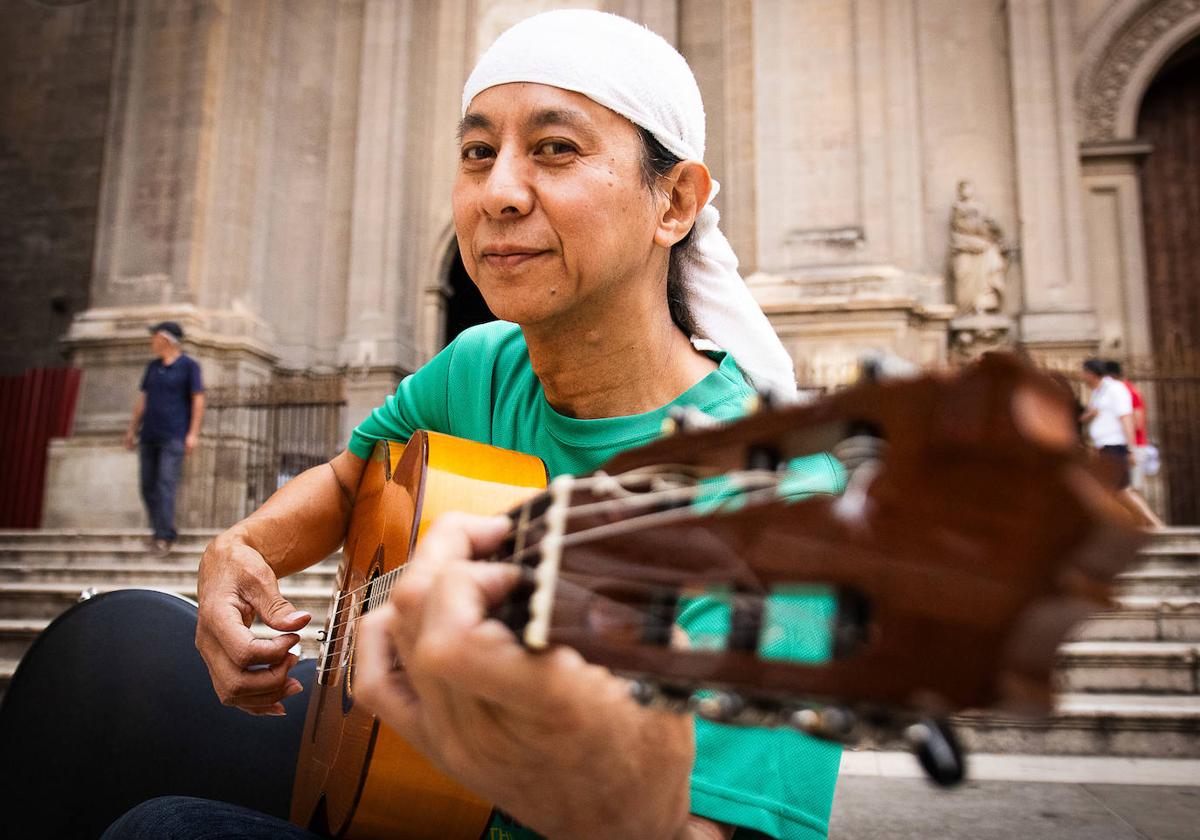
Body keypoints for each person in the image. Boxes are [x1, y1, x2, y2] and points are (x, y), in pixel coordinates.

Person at [105, 10, 843, 840]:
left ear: (673, 201)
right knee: (105, 705)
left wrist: (614, 797)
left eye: (555, 148)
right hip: (396, 804)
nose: (498, 191)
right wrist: (237, 552)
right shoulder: (481, 367)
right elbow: (353, 476)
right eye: (477, 152)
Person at [123, 321, 205, 556]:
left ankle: (164, 536)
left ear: (166, 339)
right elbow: (144, 400)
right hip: (149, 434)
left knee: (165, 483)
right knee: (147, 485)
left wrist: (193, 433)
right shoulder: (153, 367)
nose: (152, 341)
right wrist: (131, 429)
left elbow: (198, 399)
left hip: (174, 435)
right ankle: (157, 529)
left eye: (155, 337)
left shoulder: (189, 366)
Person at [1079, 358, 1161, 527]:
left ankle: (1156, 525)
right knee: (1114, 491)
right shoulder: (1098, 392)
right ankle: (1140, 525)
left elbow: (1127, 418)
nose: (1081, 376)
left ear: (1091, 373)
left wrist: (1130, 449)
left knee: (1121, 490)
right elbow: (1093, 413)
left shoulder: (1116, 389)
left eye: (1083, 373)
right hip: (1104, 446)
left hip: (1116, 445)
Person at [1103, 359, 1164, 526]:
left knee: (1129, 490)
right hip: (1126, 446)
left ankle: (1154, 526)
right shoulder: (1124, 391)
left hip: (1133, 445)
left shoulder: (1126, 392)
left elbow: (1137, 421)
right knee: (1124, 490)